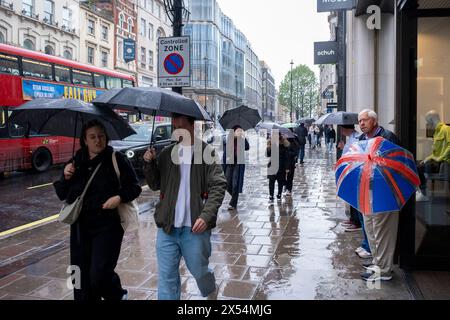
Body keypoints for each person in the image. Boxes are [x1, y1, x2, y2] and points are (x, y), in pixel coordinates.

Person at [53, 120, 142, 300]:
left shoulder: (116, 159)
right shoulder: (76, 161)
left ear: (106, 137)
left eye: (101, 136)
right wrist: (65, 176)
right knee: (80, 279)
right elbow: (62, 194)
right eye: (92, 137)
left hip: (107, 227)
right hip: (80, 228)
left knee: (99, 274)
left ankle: (117, 294)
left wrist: (118, 198)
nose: (97, 141)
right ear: (85, 140)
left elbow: (134, 187)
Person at [143, 113, 226, 300]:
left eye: (181, 126)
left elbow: (218, 185)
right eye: (175, 127)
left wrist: (206, 216)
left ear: (192, 126)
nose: (177, 131)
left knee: (200, 271)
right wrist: (149, 164)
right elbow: (155, 184)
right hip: (167, 227)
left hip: (195, 227)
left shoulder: (206, 152)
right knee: (167, 278)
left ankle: (209, 286)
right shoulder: (166, 154)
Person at [357, 109, 402, 282]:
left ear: (374, 121)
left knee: (383, 232)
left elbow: (396, 163)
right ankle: (377, 263)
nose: (361, 123)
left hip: (384, 191)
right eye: (360, 121)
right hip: (367, 190)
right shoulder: (362, 140)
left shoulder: (387, 137)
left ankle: (384, 271)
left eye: (365, 120)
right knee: (371, 229)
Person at [416, 110, 450, 201]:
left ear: (431, 119)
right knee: (417, 164)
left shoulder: (446, 129)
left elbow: (449, 146)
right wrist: (427, 158)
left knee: (419, 169)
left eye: (428, 121)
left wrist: (440, 158)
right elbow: (435, 153)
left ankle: (424, 193)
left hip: (443, 162)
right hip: (436, 160)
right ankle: (421, 190)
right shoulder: (436, 133)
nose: (428, 124)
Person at [222, 125, 250, 210]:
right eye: (238, 130)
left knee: (235, 184)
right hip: (229, 164)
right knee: (227, 184)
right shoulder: (229, 139)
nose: (240, 132)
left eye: (241, 130)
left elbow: (247, 147)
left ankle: (233, 203)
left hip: (238, 165)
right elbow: (225, 152)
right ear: (233, 132)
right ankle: (234, 197)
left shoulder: (242, 140)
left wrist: (243, 137)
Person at [267, 133, 289, 205]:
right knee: (271, 182)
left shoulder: (283, 145)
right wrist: (269, 146)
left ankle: (279, 194)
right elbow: (268, 154)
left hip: (281, 166)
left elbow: (286, 157)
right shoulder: (271, 144)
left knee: (280, 182)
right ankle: (271, 196)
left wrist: (286, 167)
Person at [284, 129, 300, 196]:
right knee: (283, 176)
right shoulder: (283, 141)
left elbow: (295, 152)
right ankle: (285, 187)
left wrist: (287, 153)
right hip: (284, 162)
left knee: (290, 177)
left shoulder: (293, 141)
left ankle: (289, 189)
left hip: (290, 162)